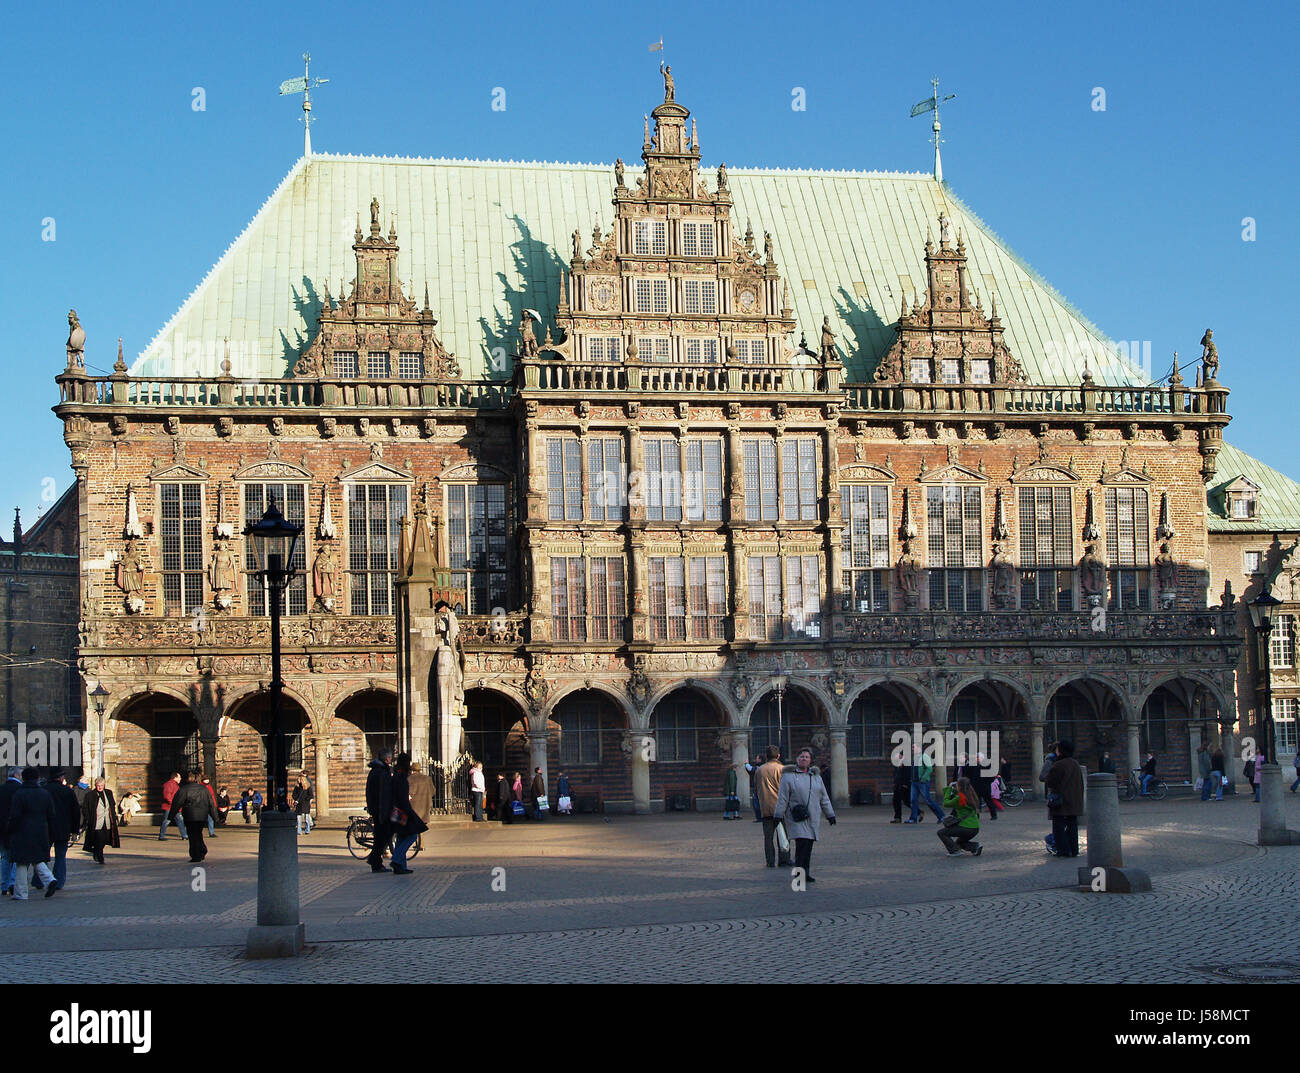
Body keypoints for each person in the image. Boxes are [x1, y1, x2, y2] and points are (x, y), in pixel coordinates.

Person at [774, 747, 835, 881]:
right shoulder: (788, 776)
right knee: (801, 845)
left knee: (808, 846)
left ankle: (805, 872)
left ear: (810, 761)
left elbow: (824, 797)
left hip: (812, 816)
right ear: (797, 759)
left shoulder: (816, 777)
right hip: (797, 817)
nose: (803, 759)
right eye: (801, 756)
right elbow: (783, 798)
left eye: (806, 757)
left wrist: (830, 814)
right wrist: (778, 815)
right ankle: (800, 873)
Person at [6, 768, 58, 899]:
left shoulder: (20, 794)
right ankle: (50, 879)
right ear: (37, 778)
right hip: (41, 830)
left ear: (23, 778)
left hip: (22, 831)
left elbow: (15, 816)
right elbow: (51, 814)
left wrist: (9, 829)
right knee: (37, 858)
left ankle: (21, 893)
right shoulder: (44, 793)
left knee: (21, 862)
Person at [1044, 739, 1085, 858]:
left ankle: (1063, 850)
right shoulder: (1075, 763)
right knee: (1072, 825)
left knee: (1059, 826)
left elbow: (1050, 781)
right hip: (1073, 800)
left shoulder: (1059, 765)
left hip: (1061, 801)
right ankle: (1073, 849)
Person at [389, 753, 427, 875]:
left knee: (401, 837)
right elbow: (402, 798)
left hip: (396, 810)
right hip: (402, 811)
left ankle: (401, 866)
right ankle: (396, 860)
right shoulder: (401, 778)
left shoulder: (396, 776)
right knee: (412, 835)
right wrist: (409, 812)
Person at [169, 771, 216, 863]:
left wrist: (171, 815)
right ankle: (201, 850)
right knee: (198, 833)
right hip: (202, 815)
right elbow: (211, 804)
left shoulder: (184, 789)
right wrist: (215, 817)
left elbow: (177, 803)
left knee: (192, 835)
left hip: (189, 815)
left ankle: (196, 854)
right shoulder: (204, 789)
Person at [756, 746, 791, 868]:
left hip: (765, 807)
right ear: (778, 756)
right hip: (780, 807)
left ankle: (770, 861)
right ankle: (784, 859)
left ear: (766, 756)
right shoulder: (782, 769)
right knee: (783, 834)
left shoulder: (760, 770)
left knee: (768, 837)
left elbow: (756, 787)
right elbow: (787, 788)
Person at [47, 770, 81, 892]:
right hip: (63, 828)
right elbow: (75, 811)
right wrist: (75, 830)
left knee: (42, 856)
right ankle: (59, 881)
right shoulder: (67, 791)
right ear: (61, 778)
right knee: (60, 856)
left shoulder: (44, 790)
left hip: (47, 828)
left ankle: (40, 879)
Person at [365, 748, 395, 873]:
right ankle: (375, 861)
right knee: (383, 835)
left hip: (377, 808)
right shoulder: (381, 772)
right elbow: (383, 793)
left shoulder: (376, 771)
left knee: (382, 836)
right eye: (390, 757)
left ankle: (374, 859)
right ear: (387, 758)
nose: (391, 759)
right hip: (381, 809)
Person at [937, 776, 982, 856]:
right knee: (959, 842)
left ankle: (954, 851)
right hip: (975, 828)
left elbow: (946, 803)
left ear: (960, 786)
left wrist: (948, 789)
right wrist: (954, 791)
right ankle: (974, 847)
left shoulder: (959, 798)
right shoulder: (972, 796)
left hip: (966, 827)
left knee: (941, 833)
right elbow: (959, 795)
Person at [81, 777, 119, 865]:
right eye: (98, 786)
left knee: (105, 839)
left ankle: (96, 852)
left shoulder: (108, 793)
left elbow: (112, 805)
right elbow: (85, 808)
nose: (100, 787)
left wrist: (114, 816)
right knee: (99, 839)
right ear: (95, 785)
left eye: (101, 785)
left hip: (107, 821)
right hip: (96, 822)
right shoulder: (90, 795)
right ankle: (100, 857)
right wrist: (89, 819)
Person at [906, 744, 945, 824]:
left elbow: (929, 768)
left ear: (919, 748)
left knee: (928, 800)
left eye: (914, 747)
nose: (913, 749)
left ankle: (941, 816)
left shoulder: (924, 756)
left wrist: (923, 778)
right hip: (914, 782)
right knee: (913, 800)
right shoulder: (915, 757)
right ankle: (913, 818)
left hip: (922, 782)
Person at [0, 766, 22, 895]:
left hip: (1, 828)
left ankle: (4, 885)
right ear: (18, 776)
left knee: (4, 857)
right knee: (15, 857)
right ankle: (12, 883)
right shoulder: (20, 790)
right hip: (16, 827)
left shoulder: (1, 789)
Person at [158, 772, 187, 841]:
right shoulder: (170, 784)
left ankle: (184, 835)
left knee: (180, 820)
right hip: (170, 807)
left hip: (174, 807)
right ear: (175, 777)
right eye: (179, 777)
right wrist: (174, 803)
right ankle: (161, 836)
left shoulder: (174, 785)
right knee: (167, 821)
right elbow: (167, 796)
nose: (180, 779)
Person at [408, 762, 434, 828]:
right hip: (425, 807)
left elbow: (408, 793)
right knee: (422, 828)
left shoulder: (409, 779)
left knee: (413, 830)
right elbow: (433, 791)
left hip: (413, 808)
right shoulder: (428, 779)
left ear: (411, 770)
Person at [890, 751, 912, 823]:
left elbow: (908, 775)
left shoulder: (907, 763)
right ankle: (897, 817)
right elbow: (896, 774)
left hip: (904, 784)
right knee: (896, 800)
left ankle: (918, 812)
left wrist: (905, 784)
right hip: (898, 784)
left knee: (906, 801)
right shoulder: (898, 764)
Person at [746, 756, 762, 822]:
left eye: (757, 758)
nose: (756, 759)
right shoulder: (761, 767)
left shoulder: (759, 767)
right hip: (759, 788)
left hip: (757, 788)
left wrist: (746, 763)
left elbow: (751, 770)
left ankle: (759, 818)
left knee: (757, 803)